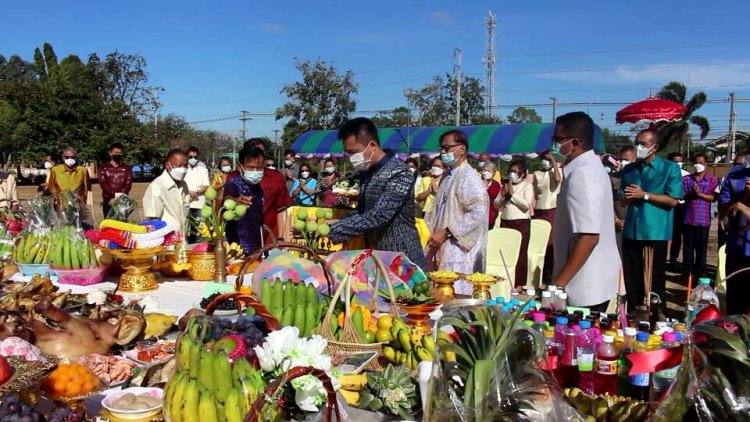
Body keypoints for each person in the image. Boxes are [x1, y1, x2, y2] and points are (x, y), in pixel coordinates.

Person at [328, 118, 425, 267]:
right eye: (347, 154)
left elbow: (378, 216)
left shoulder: (399, 173)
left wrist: (335, 230)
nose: (351, 159)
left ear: (372, 145)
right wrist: (342, 221)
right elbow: (364, 212)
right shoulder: (367, 173)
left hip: (402, 260)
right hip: (377, 259)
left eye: (353, 153)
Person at [551, 112, 620, 311]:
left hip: (585, 284)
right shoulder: (586, 167)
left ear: (575, 142)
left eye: (557, 140)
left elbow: (589, 237)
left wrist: (557, 286)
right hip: (584, 278)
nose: (553, 145)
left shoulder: (583, 174)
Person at [619, 129, 682, 314]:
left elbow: (673, 200)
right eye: (637, 142)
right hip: (631, 230)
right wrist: (627, 198)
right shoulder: (629, 169)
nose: (639, 147)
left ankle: (657, 314)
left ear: (654, 147)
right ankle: (632, 314)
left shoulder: (669, 168)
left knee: (653, 279)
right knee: (632, 278)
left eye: (643, 144)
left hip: (654, 232)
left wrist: (644, 195)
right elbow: (622, 198)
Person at [425, 130, 489, 294]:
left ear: (461, 149)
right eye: (442, 148)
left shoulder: (470, 178)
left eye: (447, 148)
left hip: (458, 248)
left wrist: (447, 231)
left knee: (456, 296)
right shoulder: (448, 176)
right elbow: (437, 209)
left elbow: (478, 213)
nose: (443, 153)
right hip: (440, 243)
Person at [718, 151, 750, 315]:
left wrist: (744, 208)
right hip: (737, 248)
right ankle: (734, 338)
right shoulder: (735, 176)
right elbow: (722, 210)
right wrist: (744, 198)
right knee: (736, 305)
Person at [243, 138, 292, 243]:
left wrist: (282, 238)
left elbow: (282, 209)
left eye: (261, 152)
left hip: (269, 238)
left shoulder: (276, 177)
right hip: (242, 239)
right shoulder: (234, 178)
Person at [495, 158, 534, 288]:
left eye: (515, 171)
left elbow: (526, 205)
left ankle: (519, 284)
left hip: (521, 223)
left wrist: (512, 195)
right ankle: (505, 281)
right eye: (510, 171)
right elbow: (496, 204)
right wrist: (502, 194)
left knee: (520, 253)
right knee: (505, 252)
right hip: (506, 221)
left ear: (522, 174)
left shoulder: (527, 186)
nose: (512, 173)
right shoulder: (506, 186)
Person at [224, 145, 265, 256]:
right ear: (240, 167)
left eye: (259, 168)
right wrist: (235, 200)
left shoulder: (258, 187)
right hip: (237, 246)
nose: (255, 171)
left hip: (255, 244)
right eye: (250, 168)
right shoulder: (234, 183)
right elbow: (227, 199)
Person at [681, 153, 717, 277]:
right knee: (688, 247)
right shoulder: (686, 179)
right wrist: (692, 193)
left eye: (701, 163)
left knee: (701, 248)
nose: (698, 165)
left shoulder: (712, 180)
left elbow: (713, 197)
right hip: (688, 218)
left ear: (706, 165)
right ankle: (687, 271)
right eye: (696, 162)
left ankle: (701, 270)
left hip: (703, 219)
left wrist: (700, 194)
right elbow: (683, 196)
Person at [533, 150, 562, 285]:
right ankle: (538, 276)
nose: (545, 162)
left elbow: (557, 180)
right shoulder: (537, 174)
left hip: (552, 210)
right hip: (539, 210)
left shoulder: (557, 171)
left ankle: (550, 277)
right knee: (539, 244)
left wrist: (554, 162)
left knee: (550, 244)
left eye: (548, 159)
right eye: (544, 159)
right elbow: (535, 192)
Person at [143, 149, 190, 232]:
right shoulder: (157, 186)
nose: (183, 169)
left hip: (183, 238)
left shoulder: (184, 185)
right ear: (168, 165)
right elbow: (154, 220)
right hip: (167, 239)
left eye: (185, 166)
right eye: (179, 165)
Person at [666, 152, 690, 272]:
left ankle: (673, 261)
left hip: (681, 208)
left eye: (680, 161)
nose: (678, 164)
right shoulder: (665, 174)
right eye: (675, 161)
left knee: (677, 236)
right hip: (667, 206)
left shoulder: (686, 176)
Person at [97, 143, 133, 218]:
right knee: (108, 224)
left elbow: (127, 185)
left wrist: (117, 198)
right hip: (108, 201)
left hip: (123, 200)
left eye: (120, 153)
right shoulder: (103, 168)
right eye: (116, 153)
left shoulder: (127, 169)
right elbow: (103, 184)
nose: (118, 155)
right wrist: (112, 198)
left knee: (122, 224)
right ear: (110, 153)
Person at [183, 147, 210, 243]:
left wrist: (197, 192)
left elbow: (206, 185)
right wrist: (189, 192)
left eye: (195, 157)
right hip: (185, 202)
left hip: (199, 202)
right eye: (190, 156)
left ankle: (199, 247)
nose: (193, 159)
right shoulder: (183, 169)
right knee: (184, 227)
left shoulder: (203, 170)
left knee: (199, 228)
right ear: (186, 156)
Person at [482, 161, 501, 229]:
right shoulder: (478, 182)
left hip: (490, 215)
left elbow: (493, 195)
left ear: (493, 173)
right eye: (484, 170)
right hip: (479, 215)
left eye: (488, 171)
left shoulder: (496, 184)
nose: (486, 172)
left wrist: (486, 187)